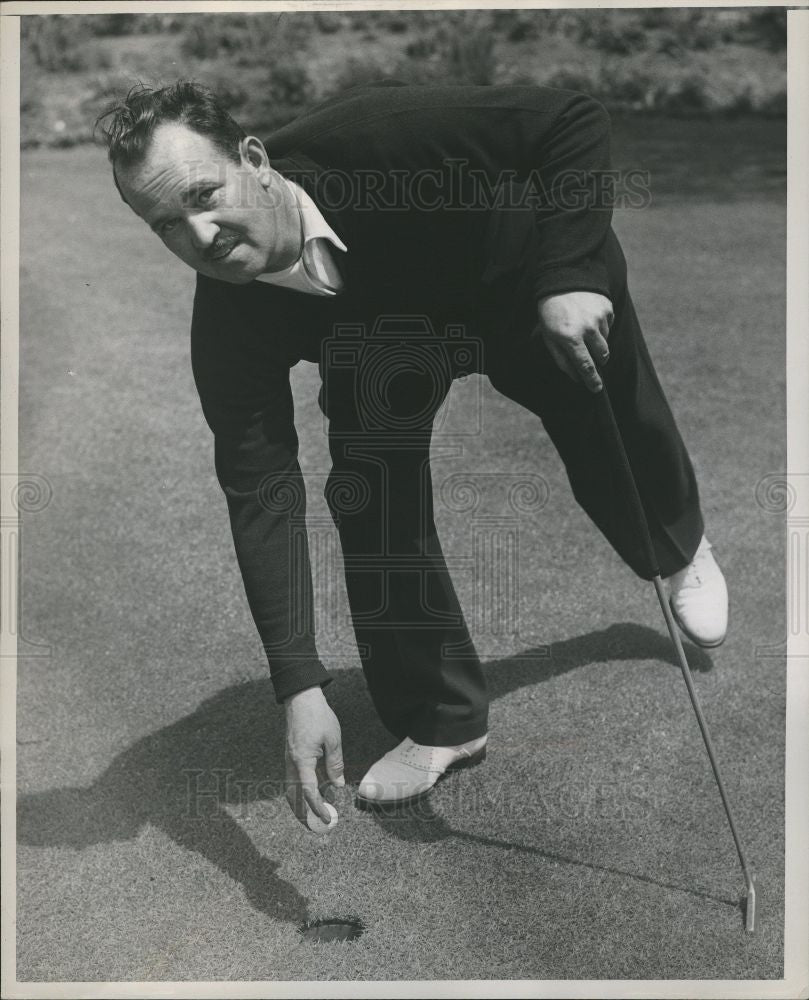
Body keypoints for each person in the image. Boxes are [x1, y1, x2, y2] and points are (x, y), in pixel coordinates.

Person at [97, 79, 729, 828]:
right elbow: (259, 488)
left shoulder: (378, 135)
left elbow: (569, 117)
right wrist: (298, 686)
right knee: (368, 495)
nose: (199, 235)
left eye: (204, 194)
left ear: (255, 158)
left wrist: (571, 275)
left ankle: (675, 544)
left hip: (515, 272)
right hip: (381, 345)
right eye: (167, 224)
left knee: (607, 416)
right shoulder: (230, 320)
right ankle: (444, 718)